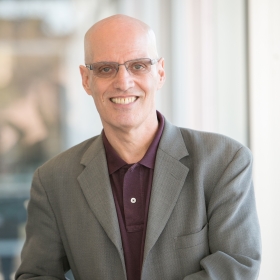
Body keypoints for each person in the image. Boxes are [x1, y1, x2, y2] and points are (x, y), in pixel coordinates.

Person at [15, 14, 261, 280]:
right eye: (106, 68)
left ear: (160, 72)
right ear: (86, 79)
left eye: (138, 65)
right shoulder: (52, 180)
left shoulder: (224, 161)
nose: (123, 82)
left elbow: (237, 266)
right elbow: (36, 276)